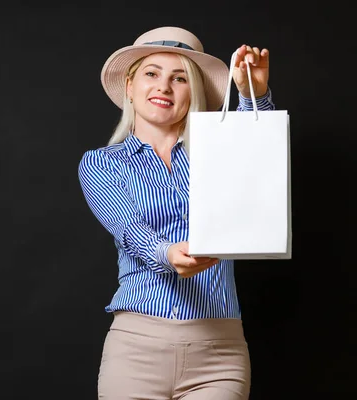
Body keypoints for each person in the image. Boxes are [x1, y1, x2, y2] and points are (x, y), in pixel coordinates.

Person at [77, 26, 275, 400]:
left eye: (179, 78)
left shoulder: (218, 155)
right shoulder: (101, 164)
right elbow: (129, 230)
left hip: (220, 354)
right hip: (135, 351)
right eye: (152, 74)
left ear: (193, 92)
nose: (164, 87)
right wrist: (168, 254)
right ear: (130, 87)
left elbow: (261, 158)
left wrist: (253, 94)